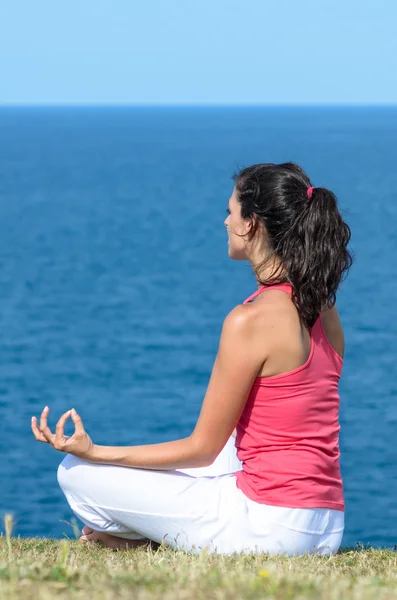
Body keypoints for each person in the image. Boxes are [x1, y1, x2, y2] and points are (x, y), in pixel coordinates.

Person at [31, 162, 352, 556]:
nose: (224, 221)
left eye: (231, 211)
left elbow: (201, 448)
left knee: (76, 474)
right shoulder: (325, 311)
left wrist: (94, 452)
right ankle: (164, 537)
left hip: (271, 529)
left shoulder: (249, 320)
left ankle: (153, 541)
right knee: (237, 439)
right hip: (326, 527)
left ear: (251, 224)